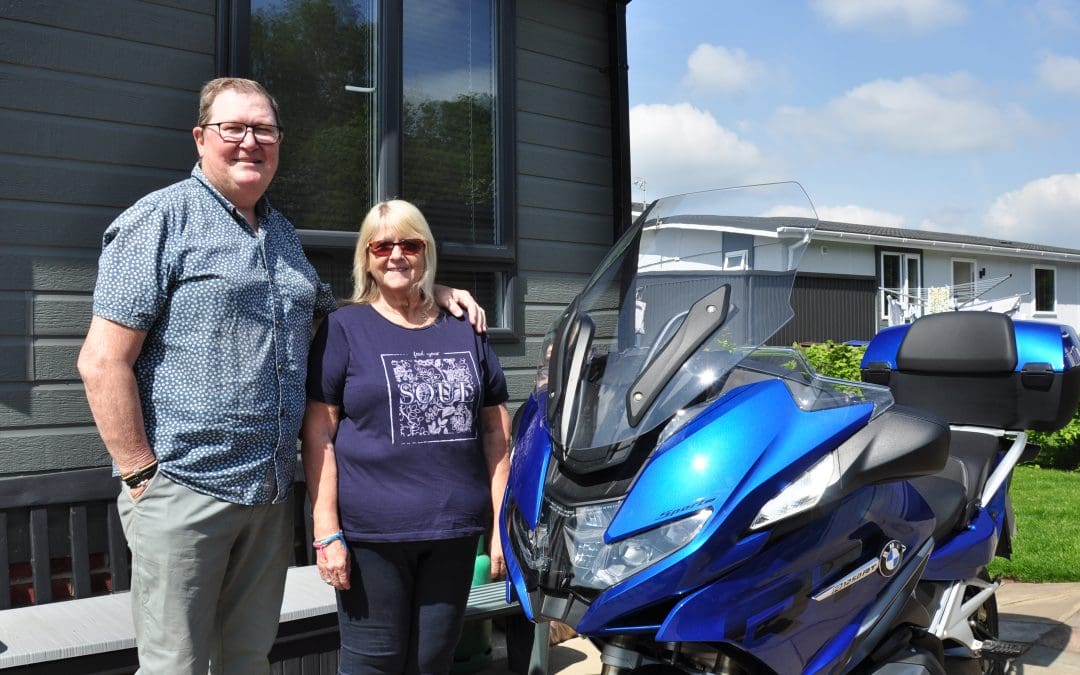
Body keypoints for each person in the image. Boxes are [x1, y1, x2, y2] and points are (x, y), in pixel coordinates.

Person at [77, 78, 485, 675]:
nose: (249, 142)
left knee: (247, 659)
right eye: (232, 128)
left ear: (279, 143)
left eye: (262, 130)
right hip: (184, 489)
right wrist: (143, 476)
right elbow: (102, 360)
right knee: (175, 666)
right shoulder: (160, 220)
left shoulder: (281, 235)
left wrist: (421, 291)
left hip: (267, 495)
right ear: (200, 138)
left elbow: (339, 320)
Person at [302, 199, 511, 675]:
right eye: (382, 245)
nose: (396, 255)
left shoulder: (465, 326)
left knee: (433, 660)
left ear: (425, 251)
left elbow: (496, 432)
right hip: (372, 536)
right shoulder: (344, 328)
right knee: (372, 664)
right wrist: (325, 530)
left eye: (409, 243)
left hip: (454, 531)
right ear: (367, 257)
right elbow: (319, 433)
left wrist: (502, 524)